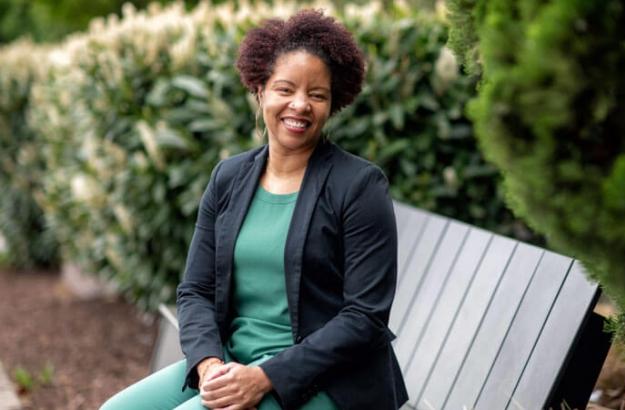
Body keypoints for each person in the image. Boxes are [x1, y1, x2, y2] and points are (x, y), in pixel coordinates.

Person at [101, 9, 408, 410]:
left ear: (332, 105)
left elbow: (365, 318)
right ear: (260, 90)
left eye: (317, 95)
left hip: (325, 380)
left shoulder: (359, 186)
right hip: (232, 362)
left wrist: (265, 377)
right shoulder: (229, 178)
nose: (300, 105)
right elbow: (195, 290)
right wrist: (210, 366)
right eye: (285, 89)